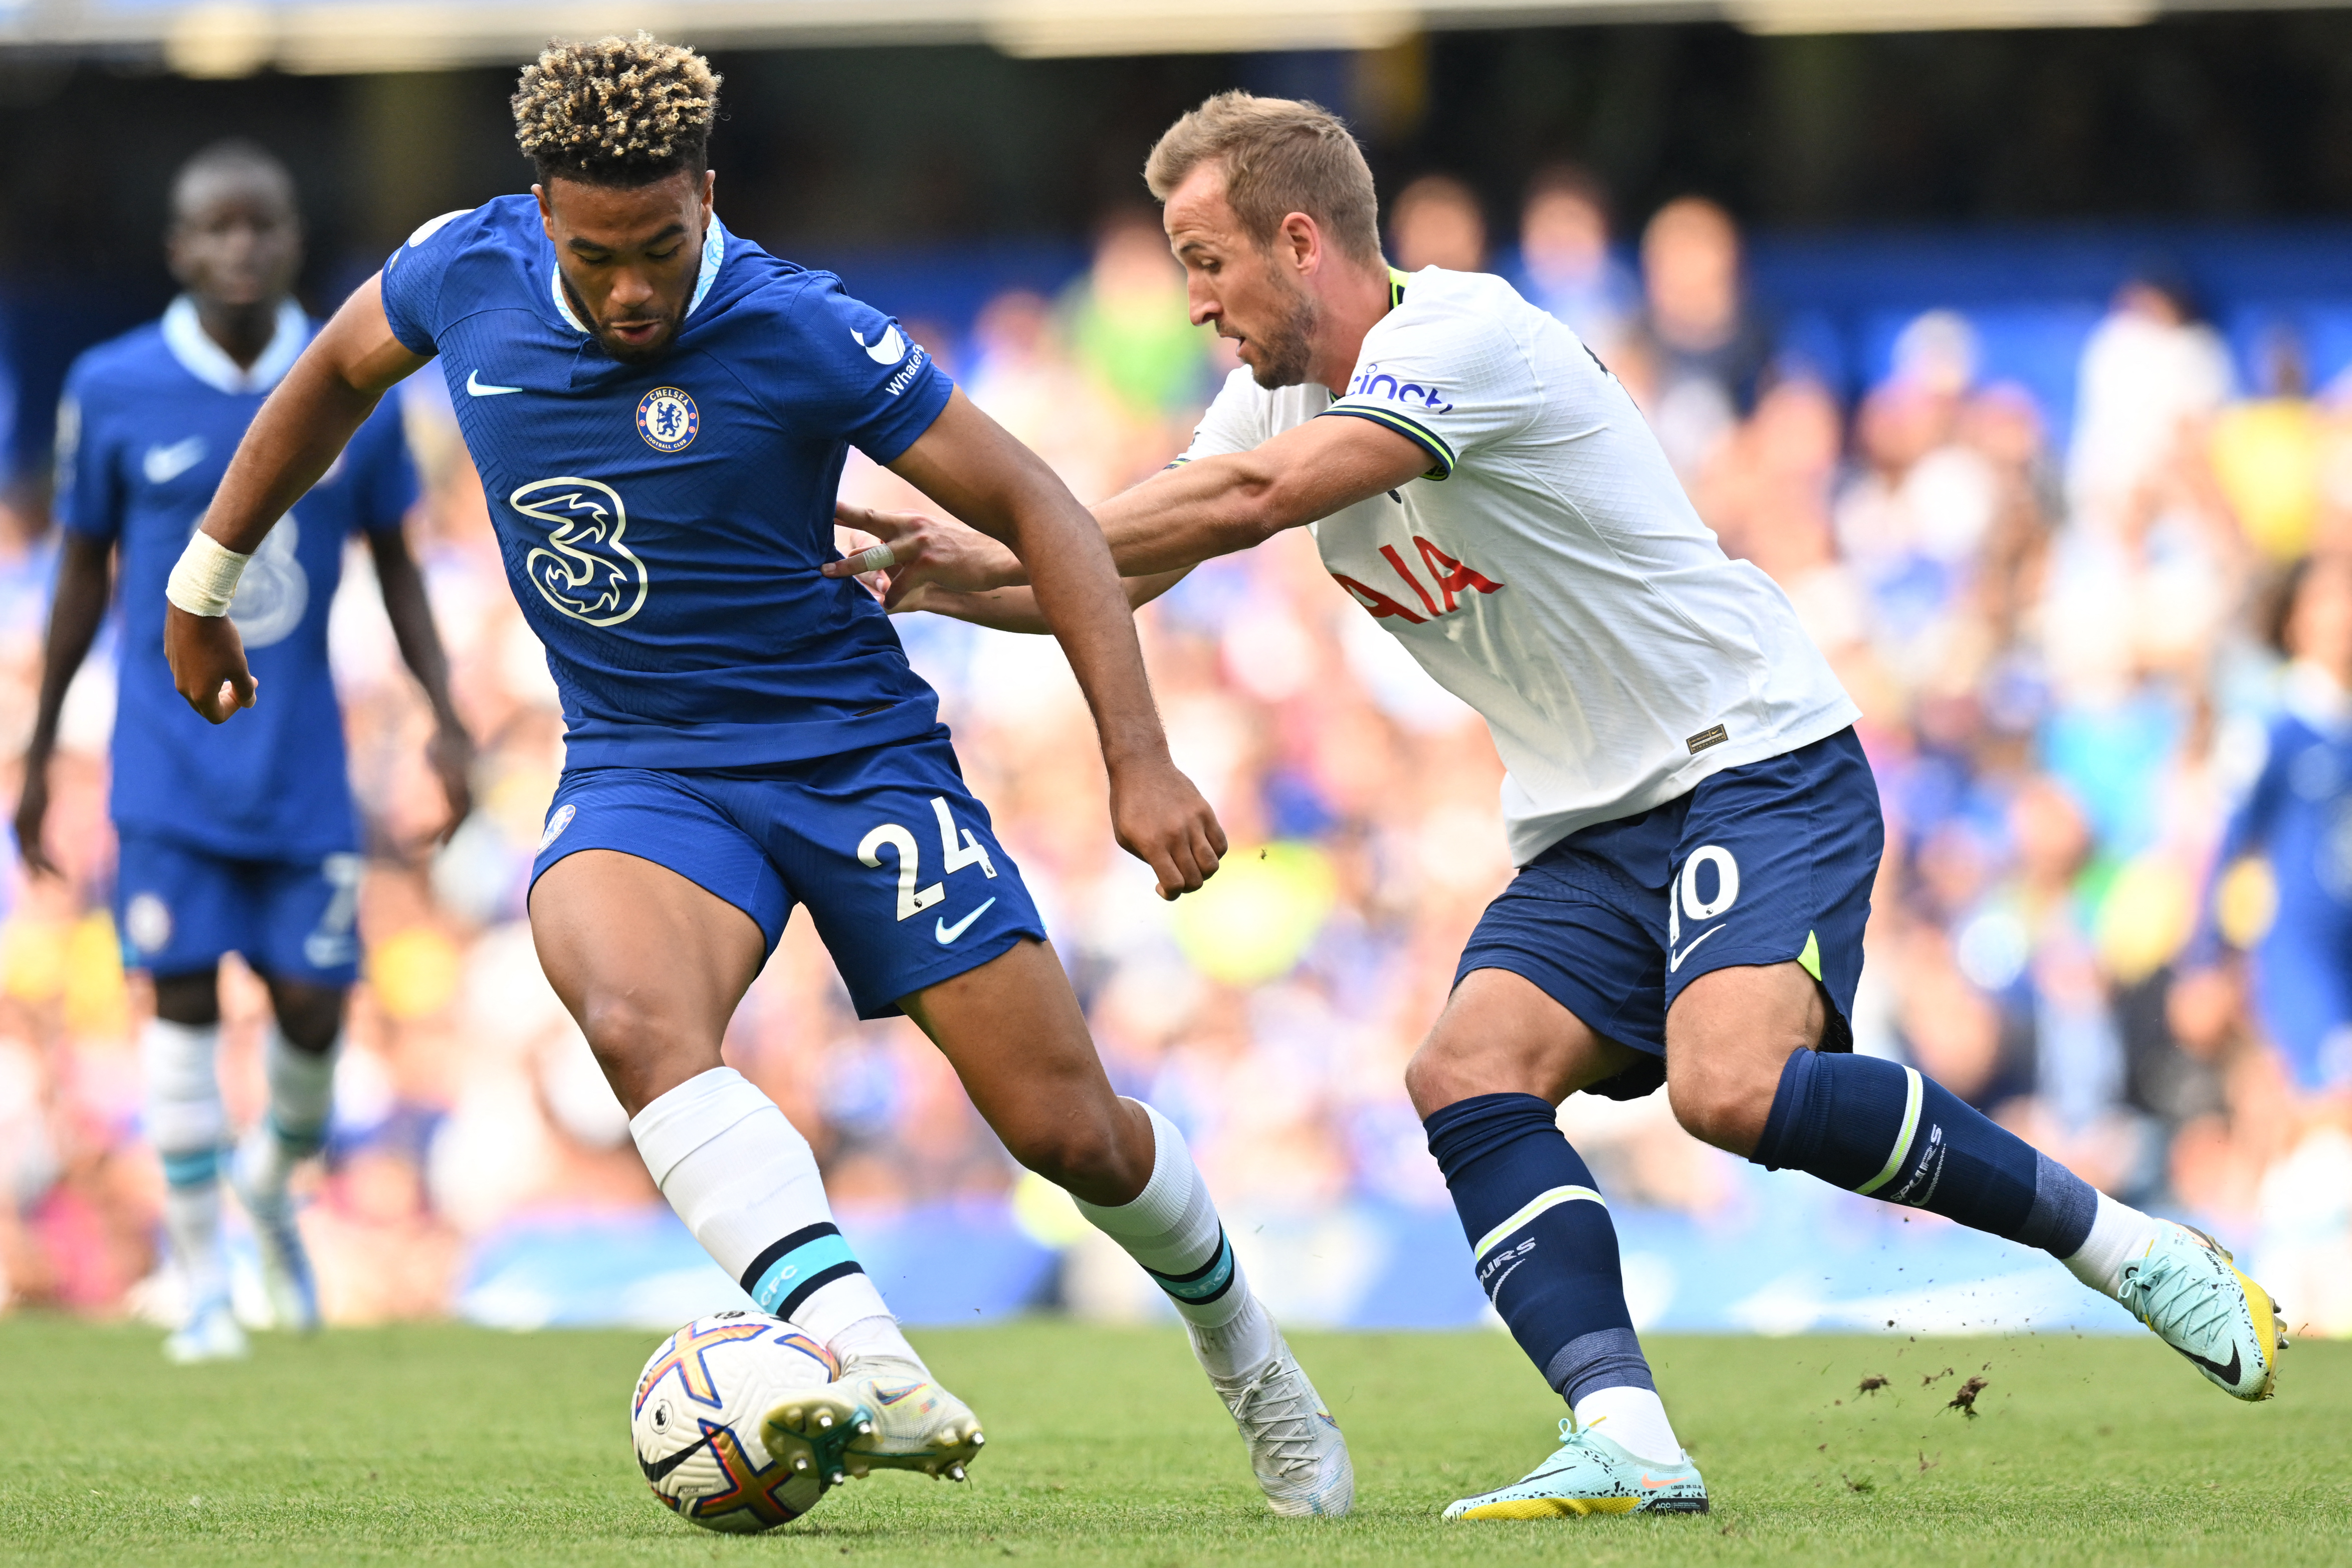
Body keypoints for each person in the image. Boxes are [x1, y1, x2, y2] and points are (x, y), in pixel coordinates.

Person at [842, 90, 2288, 1520]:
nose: (1192, 305)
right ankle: (1625, 1438)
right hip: (1589, 818)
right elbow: (1108, 570)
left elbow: (1239, 506)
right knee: (1463, 1073)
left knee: (1730, 1090)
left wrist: (1004, 530)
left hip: (1749, 754)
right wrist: (930, 570)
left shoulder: (1460, 338)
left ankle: (2125, 1250)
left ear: (1297, 241)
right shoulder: (1265, 397)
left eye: (1203, 262)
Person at [161, 36, 1350, 1516]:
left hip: (855, 759)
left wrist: (1139, 755)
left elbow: (1039, 503)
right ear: (541, 217)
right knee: (624, 1005)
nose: (637, 289)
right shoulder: (456, 274)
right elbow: (329, 376)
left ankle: (1255, 1365)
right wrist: (207, 577)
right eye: (600, 258)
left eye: (664, 245)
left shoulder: (801, 327)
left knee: (1072, 1133)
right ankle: (869, 1354)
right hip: (645, 764)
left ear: (708, 198)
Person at [16, 140, 473, 1363]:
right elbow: (76, 578)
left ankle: (270, 1187)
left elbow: (401, 571)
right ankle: (202, 1273)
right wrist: (42, 741)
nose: (239, 250)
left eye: (260, 227)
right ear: (177, 250)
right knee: (178, 1011)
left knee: (317, 1014)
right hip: (166, 767)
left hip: (303, 764)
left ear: (291, 239)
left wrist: (448, 720)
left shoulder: (348, 390)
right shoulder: (113, 387)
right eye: (213, 230)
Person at [1515, 164, 1635, 350]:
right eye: (1549, 221)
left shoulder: (1636, 303)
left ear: (1604, 230)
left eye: (1574, 220)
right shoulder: (1499, 299)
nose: (1563, 238)